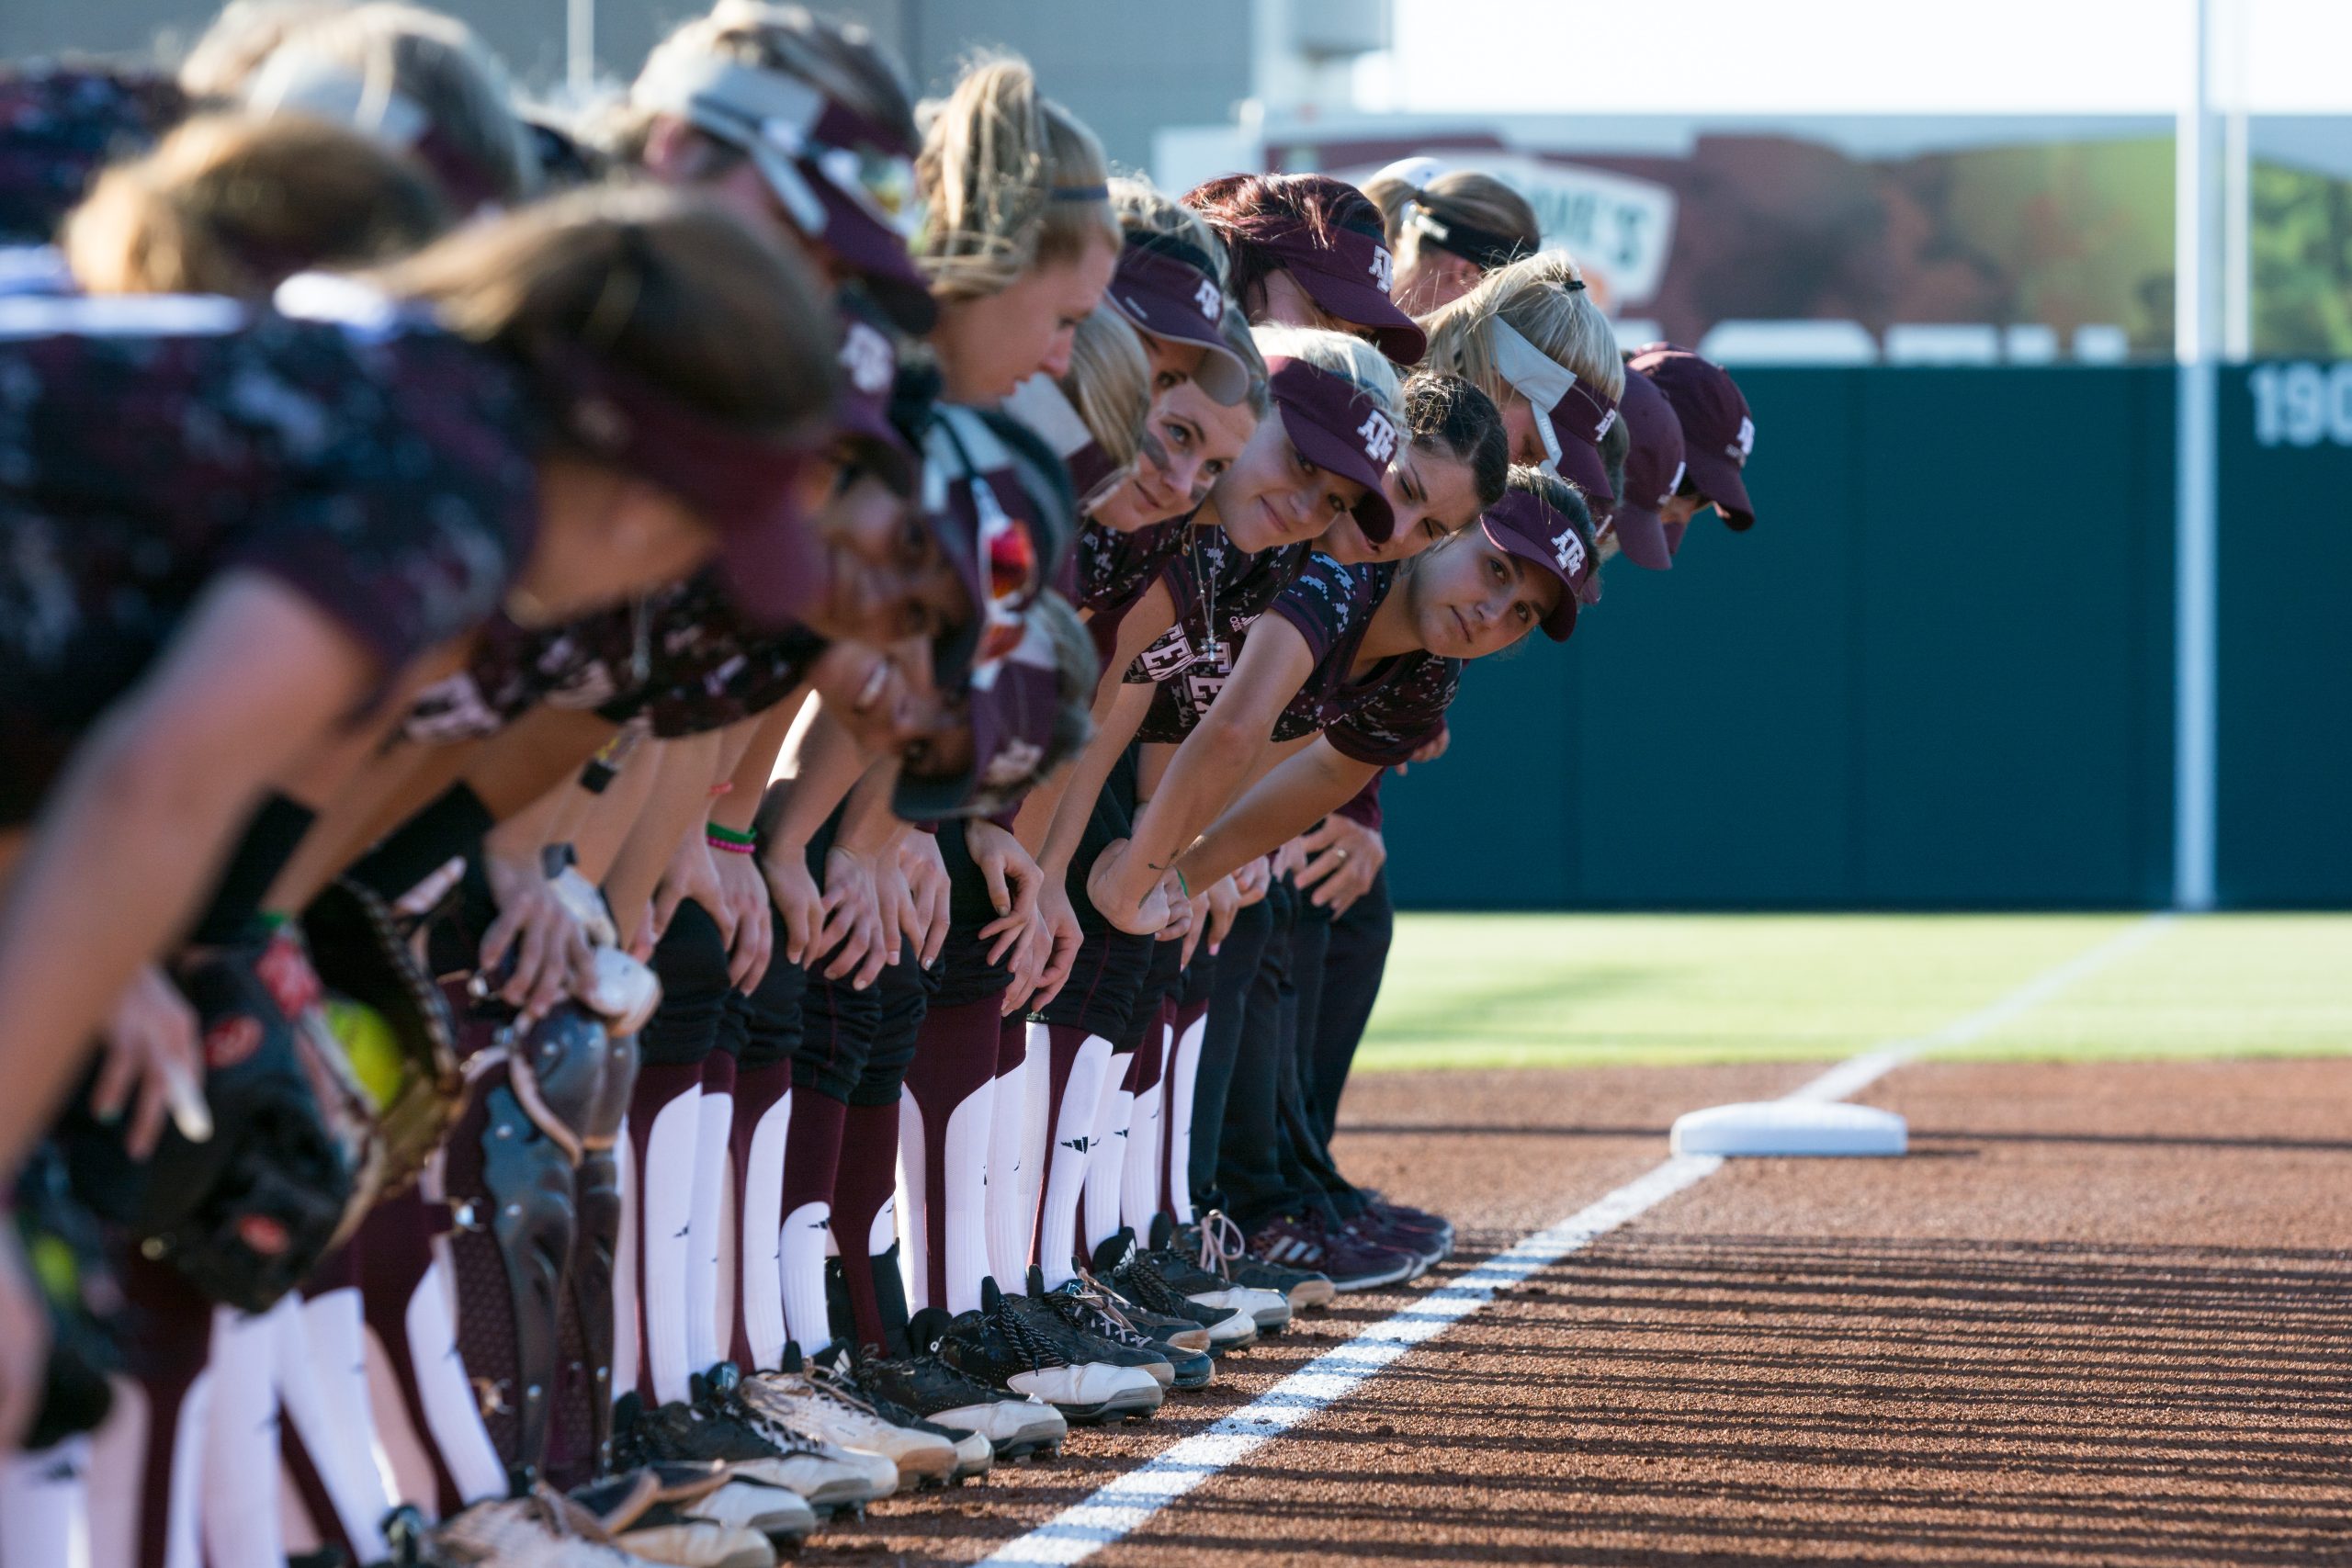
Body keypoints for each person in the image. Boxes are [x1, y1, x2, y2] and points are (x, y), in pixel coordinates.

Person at [1362, 162, 1541, 316]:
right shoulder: (1354, 344)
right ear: (1466, 273)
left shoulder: (1349, 317)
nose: (1504, 321)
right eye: (1507, 297)